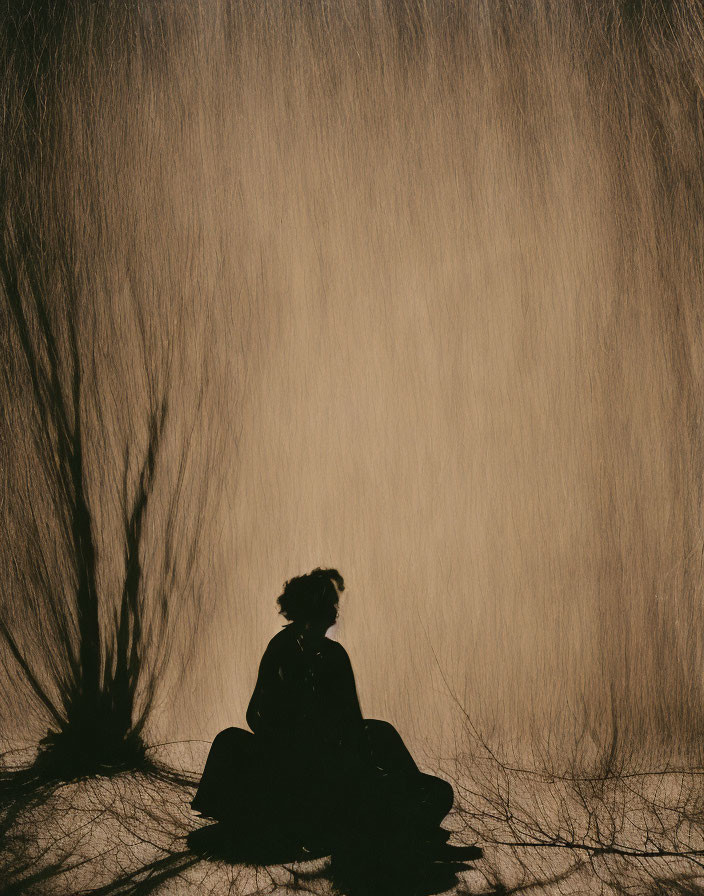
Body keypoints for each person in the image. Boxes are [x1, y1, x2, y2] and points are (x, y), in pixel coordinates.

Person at [191, 568, 459, 860]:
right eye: (331, 605)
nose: (336, 612)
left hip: (325, 753)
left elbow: (349, 723)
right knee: (230, 741)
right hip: (301, 762)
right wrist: (296, 743)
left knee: (382, 732)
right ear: (314, 609)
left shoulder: (321, 653)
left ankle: (407, 809)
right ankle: (396, 821)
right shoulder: (288, 650)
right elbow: (256, 714)